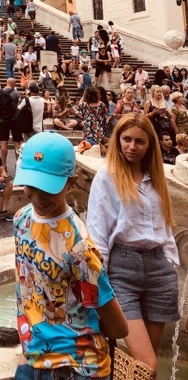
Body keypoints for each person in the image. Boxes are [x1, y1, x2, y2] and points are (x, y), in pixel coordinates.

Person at [14, 131, 128, 380]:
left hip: (78, 368)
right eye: (31, 185)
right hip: (34, 357)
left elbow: (118, 326)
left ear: (72, 182)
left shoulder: (79, 248)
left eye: (48, 187)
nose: (38, 195)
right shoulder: (21, 219)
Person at [87, 113, 179, 374]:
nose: (132, 146)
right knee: (146, 365)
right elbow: (97, 229)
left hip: (159, 269)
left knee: (147, 368)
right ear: (117, 140)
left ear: (150, 144)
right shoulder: (107, 176)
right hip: (122, 269)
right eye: (126, 139)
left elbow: (165, 225)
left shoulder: (156, 175)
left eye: (139, 141)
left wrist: (171, 263)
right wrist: (98, 280)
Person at [0, 77, 22, 168]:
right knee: (17, 142)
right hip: (14, 120)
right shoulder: (16, 93)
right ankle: (18, 163)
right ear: (13, 84)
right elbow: (19, 107)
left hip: (2, 120)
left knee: (4, 142)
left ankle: (3, 165)